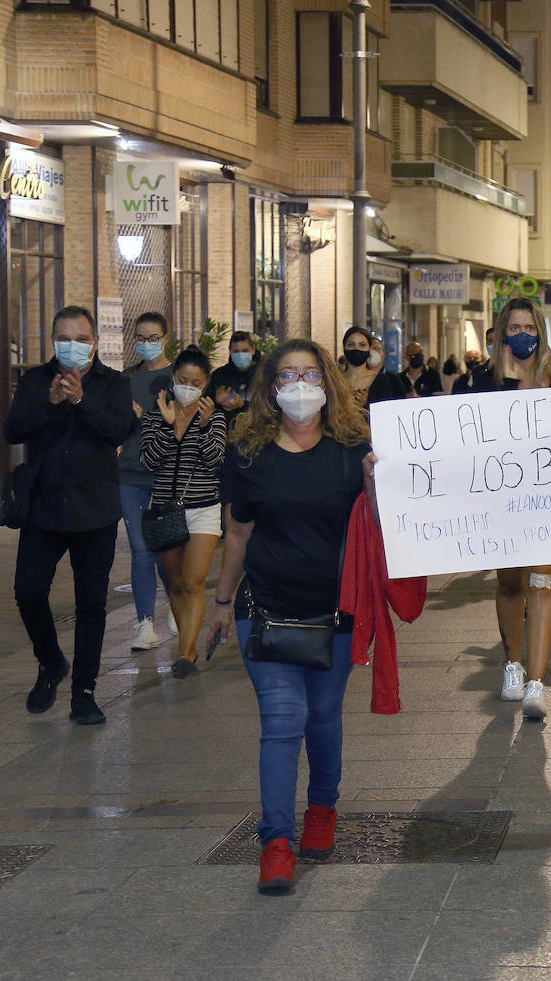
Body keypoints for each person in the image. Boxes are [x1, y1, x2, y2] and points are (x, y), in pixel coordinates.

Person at [207, 339, 373, 894]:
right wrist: (224, 603)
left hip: (336, 612)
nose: (299, 385)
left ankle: (322, 806)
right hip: (268, 610)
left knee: (322, 719)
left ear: (327, 383)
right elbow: (238, 533)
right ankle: (276, 841)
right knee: (281, 725)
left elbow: (385, 518)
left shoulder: (355, 451)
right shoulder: (248, 453)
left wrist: (378, 481)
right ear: (269, 389)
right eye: (286, 376)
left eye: (310, 373)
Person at [7, 306, 133, 725]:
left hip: (95, 509)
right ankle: (51, 661)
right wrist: (50, 402)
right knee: (28, 591)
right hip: (44, 507)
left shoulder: (113, 384)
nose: (72, 346)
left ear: (94, 342)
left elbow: (118, 430)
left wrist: (79, 401)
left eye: (81, 338)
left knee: (91, 604)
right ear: (53, 341)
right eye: (64, 338)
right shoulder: (34, 381)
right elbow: (14, 430)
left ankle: (84, 690)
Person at [468, 298, 551, 718]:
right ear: (502, 332)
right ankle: (512, 664)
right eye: (514, 327)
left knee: (542, 585)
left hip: (546, 499)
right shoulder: (484, 379)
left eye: (530, 327)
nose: (523, 334)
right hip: (501, 501)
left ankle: (535, 681)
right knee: (511, 585)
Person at [141, 346, 228, 678]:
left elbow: (215, 461)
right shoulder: (156, 414)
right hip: (165, 510)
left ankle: (186, 655)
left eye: (195, 382)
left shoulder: (215, 417)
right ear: (173, 379)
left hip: (204, 509)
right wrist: (170, 428)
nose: (188, 387)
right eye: (182, 380)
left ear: (204, 385)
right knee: (174, 584)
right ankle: (186, 650)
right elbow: (148, 461)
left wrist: (203, 427)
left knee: (193, 582)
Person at [118, 311, 175, 650]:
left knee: (167, 549)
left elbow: (186, 424)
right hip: (129, 474)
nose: (146, 343)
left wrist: (152, 415)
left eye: (153, 337)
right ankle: (145, 623)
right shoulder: (126, 378)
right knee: (141, 550)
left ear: (166, 339)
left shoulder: (177, 376)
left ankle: (177, 605)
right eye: (140, 337)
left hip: (166, 475)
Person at [342, 326, 409, 407]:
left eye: (362, 345)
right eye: (351, 344)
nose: (356, 348)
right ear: (344, 348)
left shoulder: (382, 381)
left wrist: (365, 405)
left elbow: (387, 413)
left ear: (369, 349)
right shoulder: (335, 380)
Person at [208, 330, 260, 423]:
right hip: (226, 431)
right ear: (230, 351)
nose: (241, 355)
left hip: (257, 431)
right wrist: (216, 402)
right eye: (236, 351)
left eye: (245, 351)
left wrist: (243, 404)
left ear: (253, 349)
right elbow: (206, 406)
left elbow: (272, 407)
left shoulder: (265, 374)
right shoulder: (219, 375)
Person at [453, 329, 497, 394]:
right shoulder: (478, 372)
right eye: (490, 341)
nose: (493, 345)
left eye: (496, 341)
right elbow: (470, 390)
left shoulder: (513, 370)